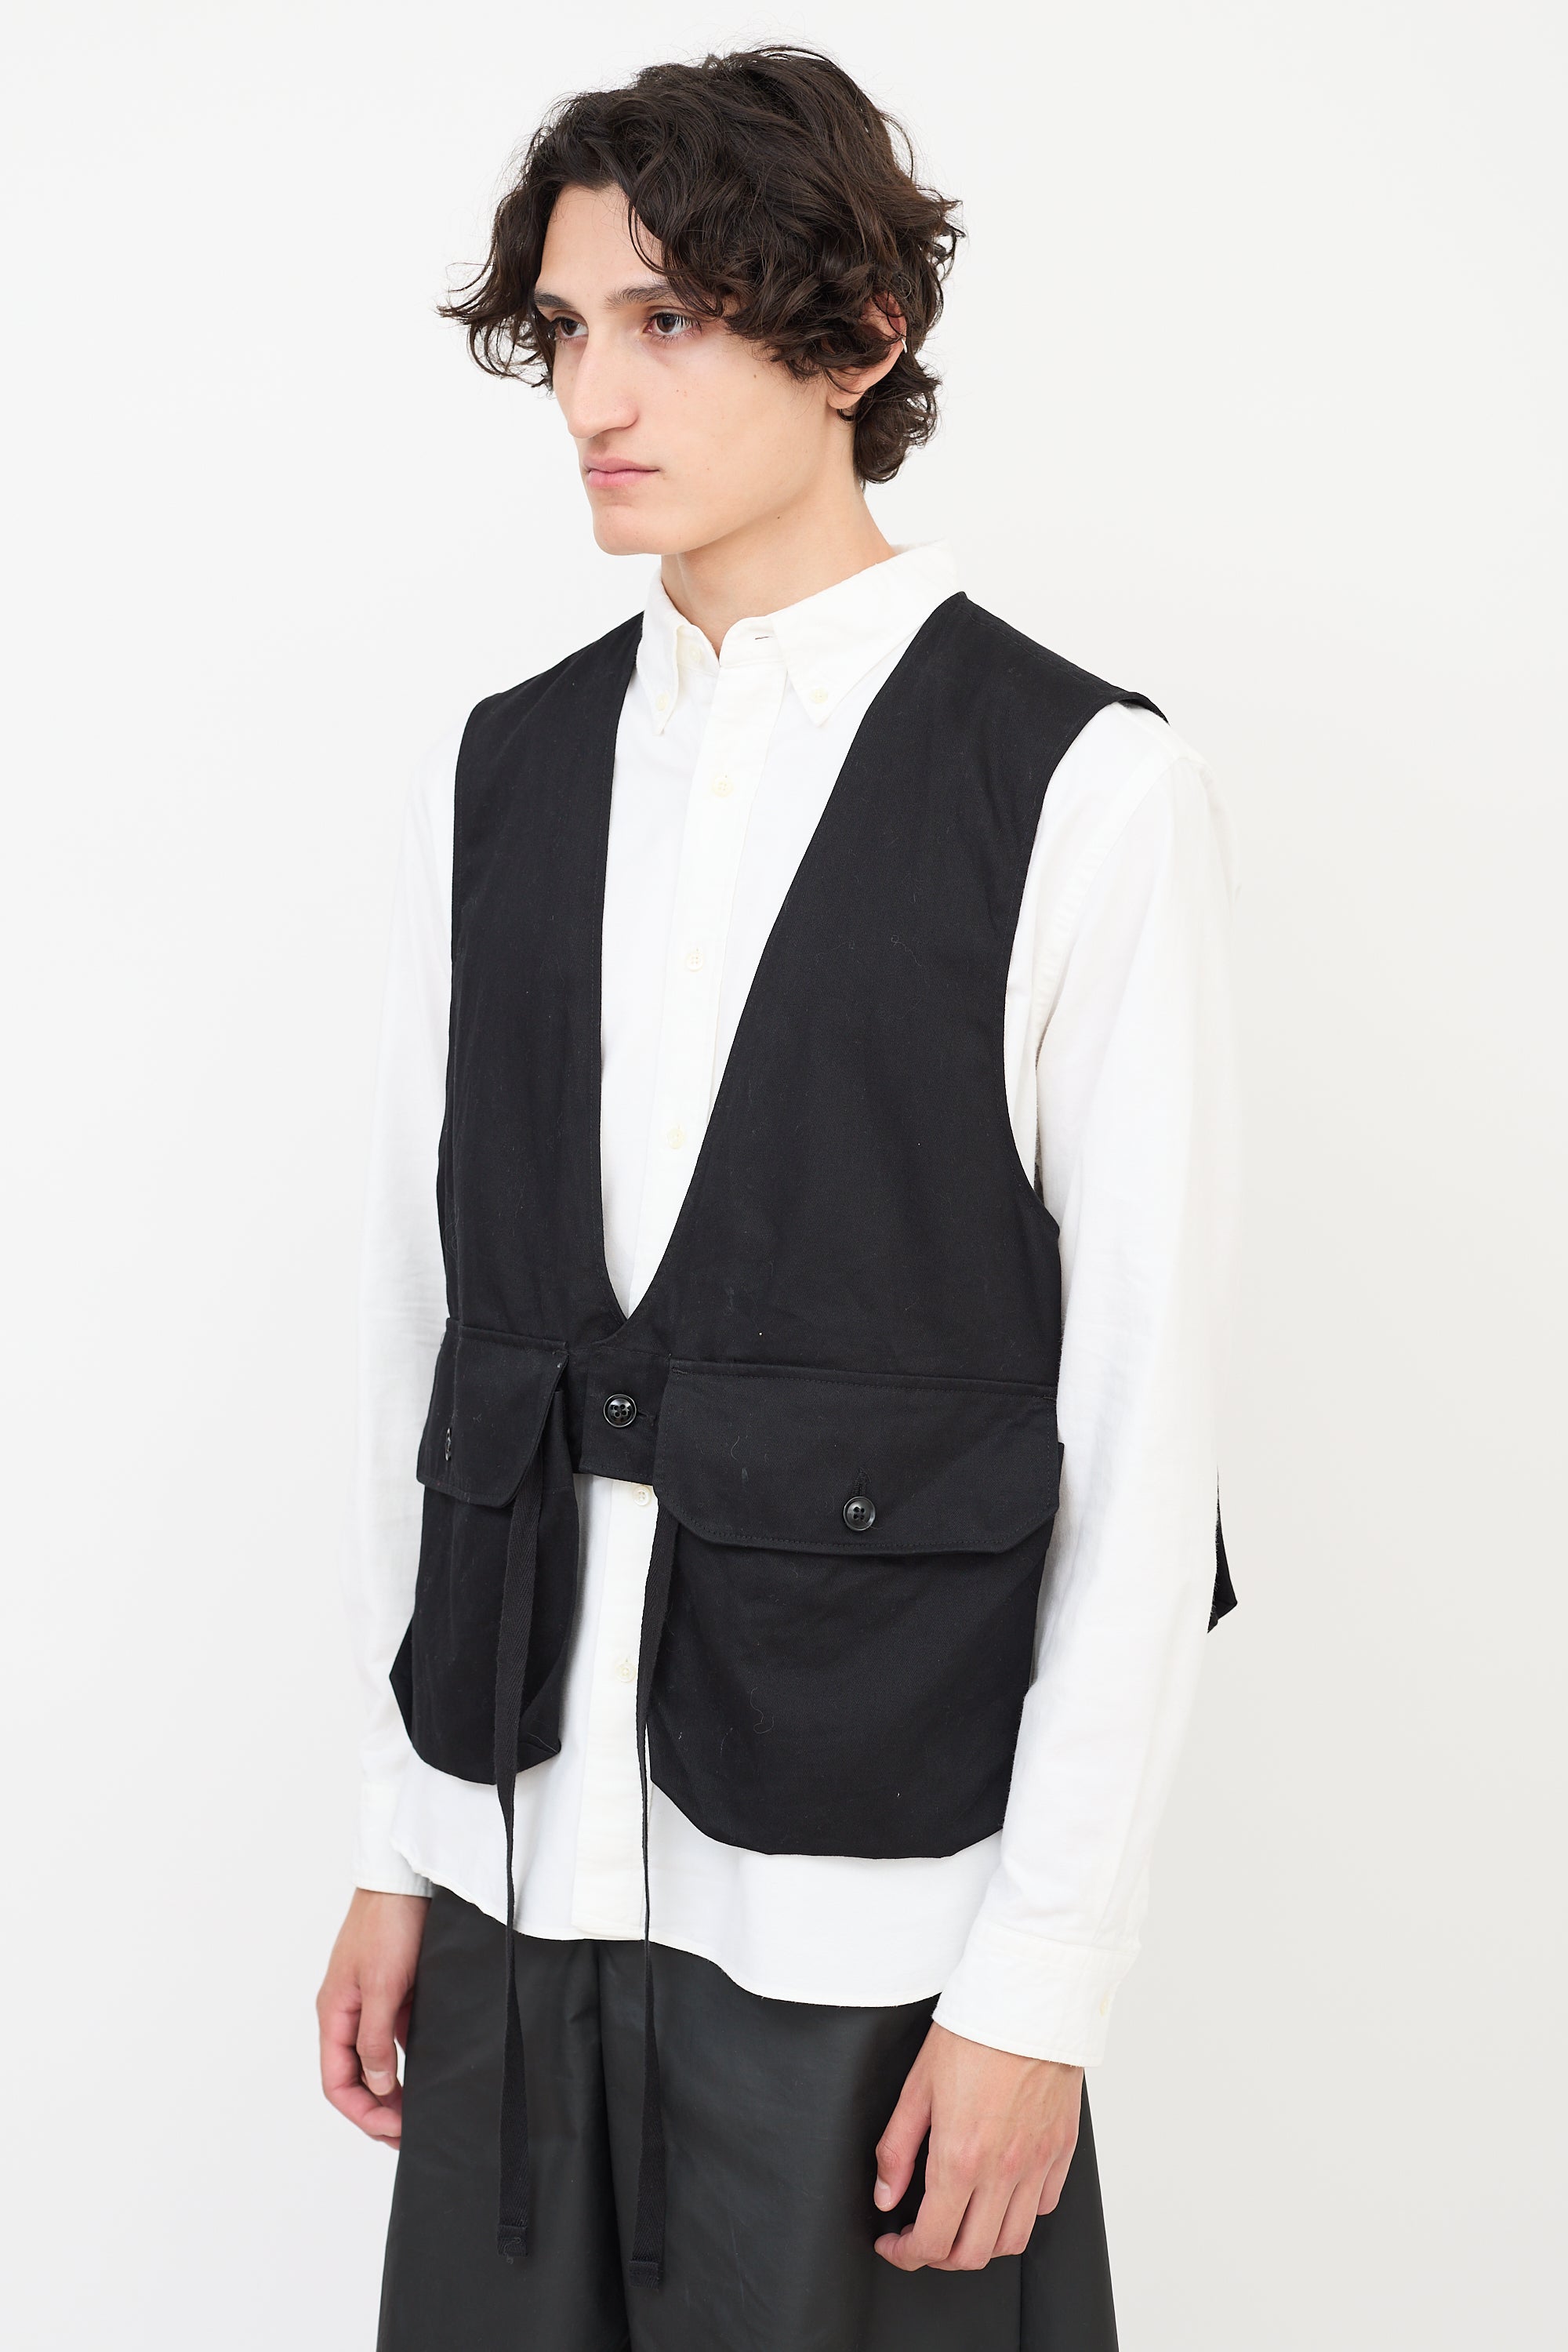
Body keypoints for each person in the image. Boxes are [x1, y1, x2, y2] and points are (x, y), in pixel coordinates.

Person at [316, 42, 1239, 2352]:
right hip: (514, 1875)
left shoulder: (1079, 788)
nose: (592, 395)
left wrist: (1040, 1988)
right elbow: (429, 1340)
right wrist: (398, 1836)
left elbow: (1143, 1439)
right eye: (566, 329)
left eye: (670, 319)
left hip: (869, 1916)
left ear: (857, 337)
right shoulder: (505, 770)